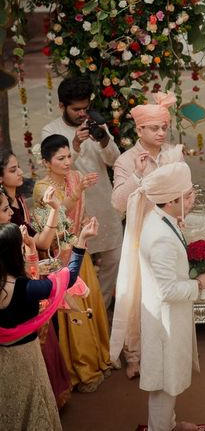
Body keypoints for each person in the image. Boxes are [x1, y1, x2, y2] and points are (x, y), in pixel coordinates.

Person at [110, 90, 183, 379]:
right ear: (139, 130)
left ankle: (169, 347)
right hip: (140, 235)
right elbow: (117, 203)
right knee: (138, 295)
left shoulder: (172, 154)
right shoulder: (126, 161)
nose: (161, 132)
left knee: (169, 288)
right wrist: (137, 177)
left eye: (165, 127)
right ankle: (135, 356)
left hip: (169, 231)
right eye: (154, 128)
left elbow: (182, 194)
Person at [0, 217, 98, 431]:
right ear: (13, 253)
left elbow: (30, 277)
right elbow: (68, 279)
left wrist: (31, 247)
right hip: (26, 359)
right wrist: (81, 240)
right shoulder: (23, 288)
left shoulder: (11, 285)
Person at [32, 134, 112, 392]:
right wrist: (76, 194)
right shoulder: (42, 189)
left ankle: (100, 357)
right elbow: (58, 216)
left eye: (69, 156)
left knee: (92, 302)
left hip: (79, 248)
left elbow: (79, 213)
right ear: (46, 162)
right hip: (58, 259)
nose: (68, 162)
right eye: (60, 158)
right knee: (74, 312)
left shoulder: (75, 177)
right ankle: (82, 369)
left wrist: (87, 223)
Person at [138, 161, 205, 431]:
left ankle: (167, 424)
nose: (193, 199)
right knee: (165, 384)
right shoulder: (160, 237)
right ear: (170, 200)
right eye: (188, 195)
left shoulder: (160, 218)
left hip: (165, 315)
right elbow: (167, 290)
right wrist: (199, 284)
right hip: (165, 320)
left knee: (165, 382)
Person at [41, 75, 123, 309]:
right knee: (79, 267)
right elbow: (54, 169)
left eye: (85, 108)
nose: (81, 114)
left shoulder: (96, 123)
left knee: (114, 260)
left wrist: (105, 139)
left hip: (104, 205)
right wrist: (75, 145)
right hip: (73, 209)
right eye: (76, 109)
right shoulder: (50, 131)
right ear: (62, 106)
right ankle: (84, 322)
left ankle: (101, 310)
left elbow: (115, 160)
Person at [0, 154, 71, 408]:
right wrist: (79, 251)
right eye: (13, 169)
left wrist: (53, 210)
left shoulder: (19, 202)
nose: (20, 173)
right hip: (17, 297)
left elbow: (38, 243)